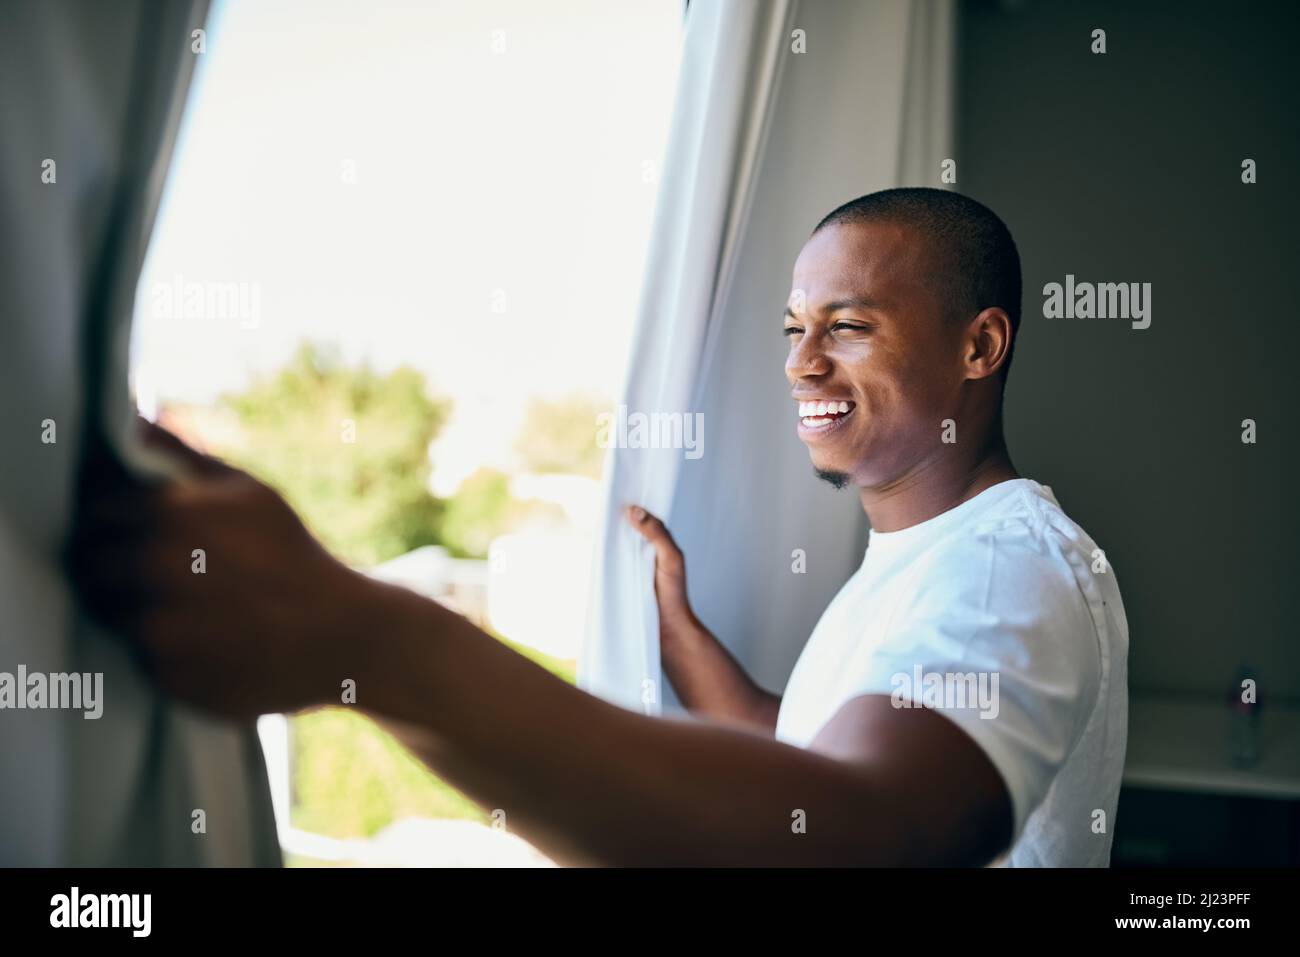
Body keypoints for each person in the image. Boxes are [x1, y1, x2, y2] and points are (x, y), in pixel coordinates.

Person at [70, 188, 1128, 866]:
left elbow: (869, 835)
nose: (803, 362)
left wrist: (374, 643)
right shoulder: (921, 561)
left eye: (847, 327)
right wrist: (682, 637)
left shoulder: (1004, 571)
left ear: (980, 346)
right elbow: (809, 759)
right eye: (795, 329)